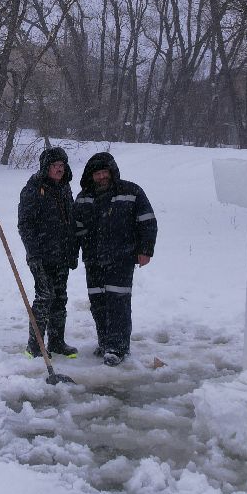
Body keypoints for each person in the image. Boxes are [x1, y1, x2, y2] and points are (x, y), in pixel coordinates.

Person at [73, 151, 157, 366]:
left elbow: (147, 221)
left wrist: (145, 250)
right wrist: (78, 251)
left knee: (117, 302)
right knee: (98, 302)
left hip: (122, 257)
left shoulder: (131, 191)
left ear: (112, 172)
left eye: (104, 172)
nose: (101, 177)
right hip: (93, 260)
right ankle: (104, 342)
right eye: (97, 174)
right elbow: (76, 228)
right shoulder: (83, 197)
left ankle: (117, 347)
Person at [16, 146, 80, 358]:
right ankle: (35, 346)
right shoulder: (33, 189)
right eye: (55, 166)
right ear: (46, 167)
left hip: (62, 255)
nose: (60, 169)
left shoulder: (64, 188)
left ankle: (56, 342)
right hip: (41, 256)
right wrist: (33, 254)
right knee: (44, 297)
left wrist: (72, 251)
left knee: (60, 298)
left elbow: (70, 221)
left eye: (62, 165)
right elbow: (25, 225)